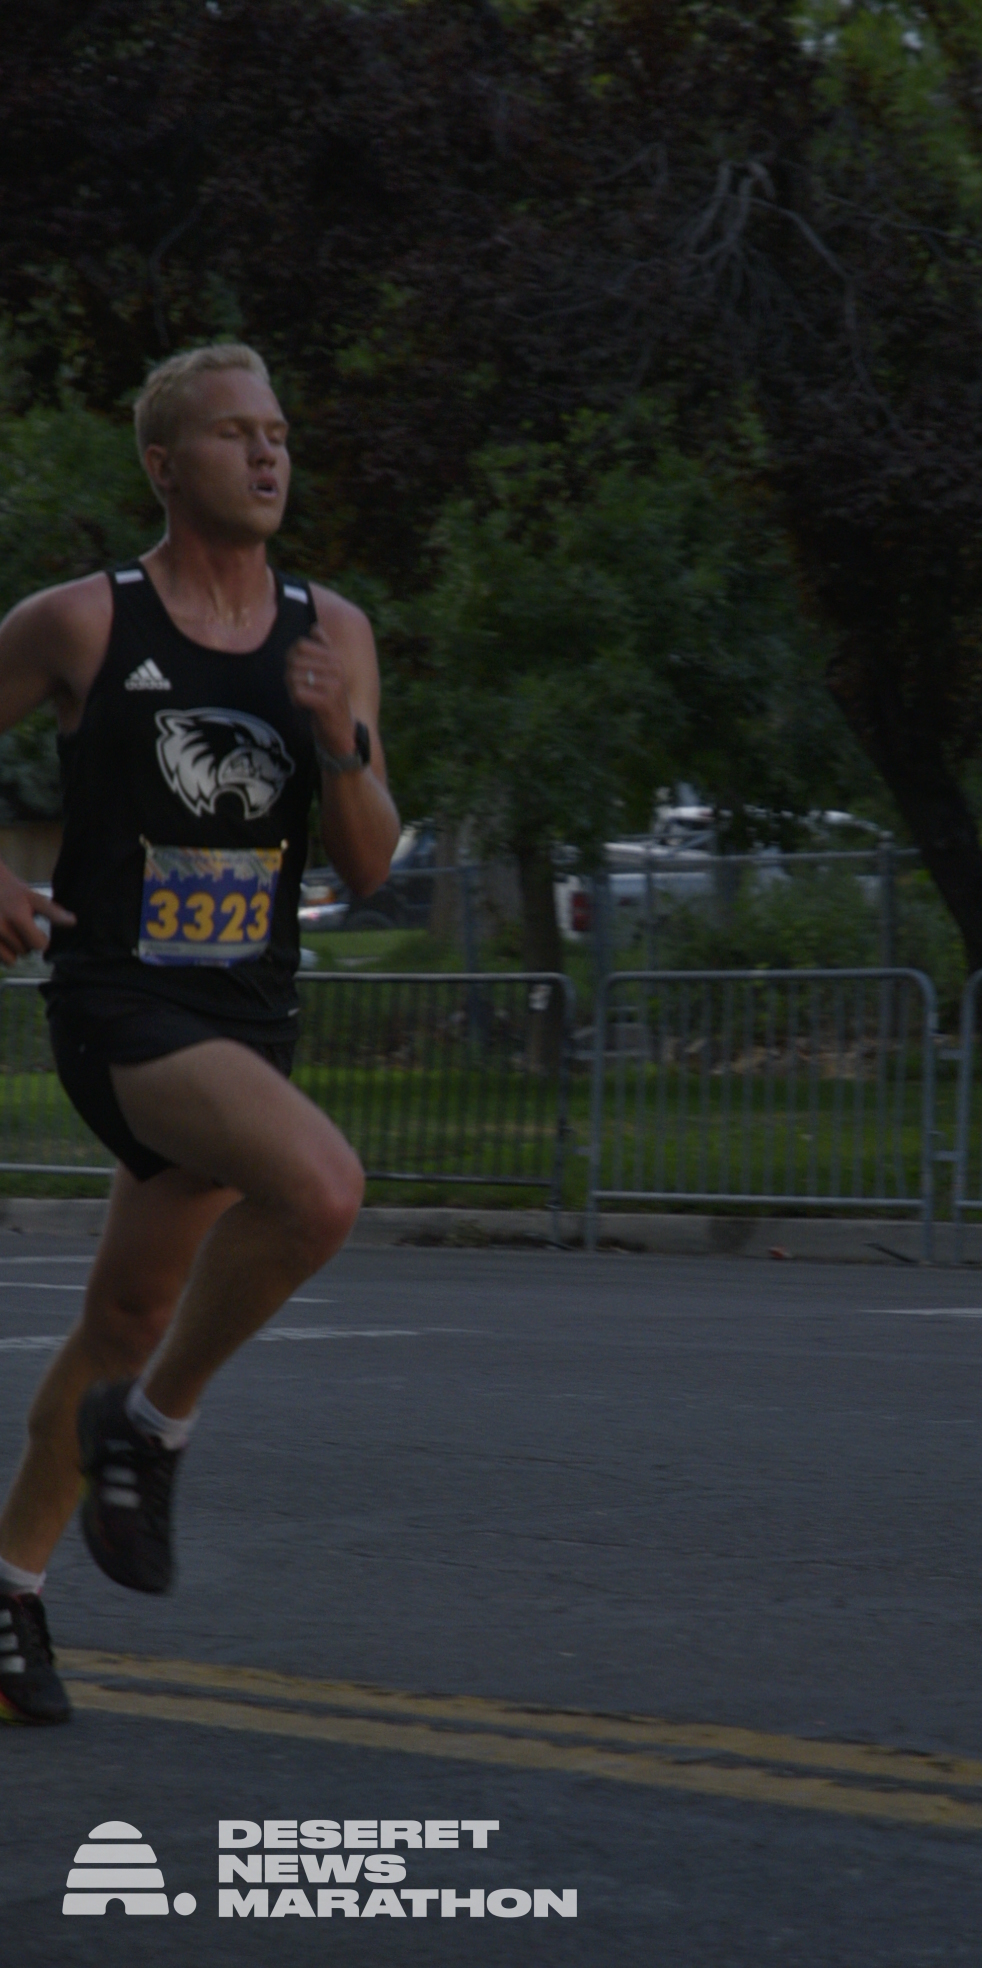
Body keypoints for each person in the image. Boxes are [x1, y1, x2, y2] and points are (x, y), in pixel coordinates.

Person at [0, 343, 399, 1724]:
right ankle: (155, 1431)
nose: (269, 452)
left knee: (126, 1312)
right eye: (236, 434)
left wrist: (337, 737)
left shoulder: (331, 632)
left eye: (278, 430)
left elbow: (369, 866)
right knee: (323, 1190)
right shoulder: (82, 623)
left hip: (249, 1015)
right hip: (121, 1005)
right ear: (165, 465)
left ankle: (7, 1592)